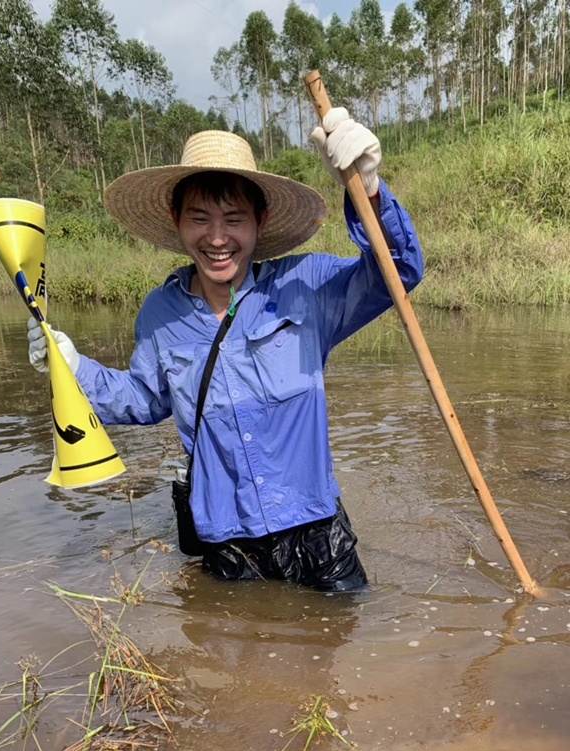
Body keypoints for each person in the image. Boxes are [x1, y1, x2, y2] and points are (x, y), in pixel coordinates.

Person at [28, 108, 424, 593]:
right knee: (223, 638)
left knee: (342, 635)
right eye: (200, 219)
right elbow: (144, 400)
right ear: (176, 221)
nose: (217, 239)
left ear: (261, 221)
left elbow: (399, 271)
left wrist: (368, 189)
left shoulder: (306, 287)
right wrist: (71, 369)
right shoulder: (160, 312)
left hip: (317, 531)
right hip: (227, 543)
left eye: (234, 219)